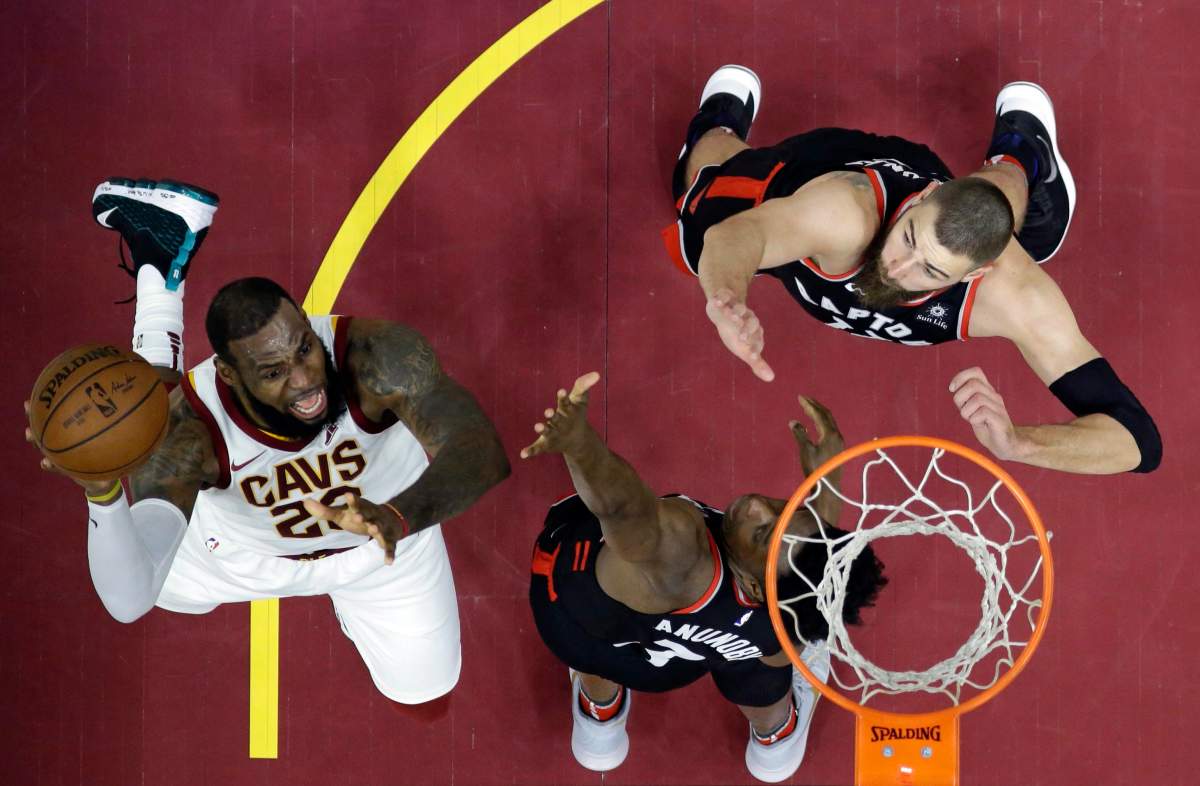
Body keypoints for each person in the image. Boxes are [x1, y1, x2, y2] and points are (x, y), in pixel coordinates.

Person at [25, 178, 510, 704]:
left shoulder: (376, 357)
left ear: (306, 322)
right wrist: (101, 492)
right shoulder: (188, 434)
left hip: (384, 546)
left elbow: (479, 450)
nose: (304, 381)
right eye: (274, 371)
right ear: (230, 375)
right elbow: (128, 600)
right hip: (235, 556)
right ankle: (158, 284)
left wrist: (396, 517)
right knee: (157, 566)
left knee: (426, 692)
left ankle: (158, 258)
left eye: (304, 349)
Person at [662, 66, 1161, 475]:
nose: (896, 268)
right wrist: (726, 298)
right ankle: (717, 125)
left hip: (964, 228)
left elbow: (1137, 440)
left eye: (930, 271)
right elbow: (733, 238)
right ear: (923, 196)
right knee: (697, 211)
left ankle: (1021, 152)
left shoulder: (1013, 296)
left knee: (1001, 211)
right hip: (812, 174)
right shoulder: (844, 217)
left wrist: (1019, 443)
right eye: (908, 238)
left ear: (972, 277)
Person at [521, 373, 887, 783]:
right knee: (765, 662)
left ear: (755, 586)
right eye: (786, 509)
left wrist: (579, 445)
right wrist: (824, 486)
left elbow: (624, 509)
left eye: (763, 533)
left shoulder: (684, 549)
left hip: (574, 621)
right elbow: (800, 599)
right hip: (673, 665)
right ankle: (775, 737)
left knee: (597, 631)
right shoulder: (782, 618)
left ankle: (599, 714)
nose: (758, 507)